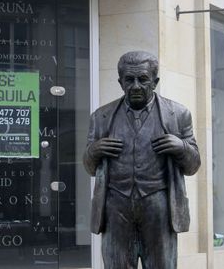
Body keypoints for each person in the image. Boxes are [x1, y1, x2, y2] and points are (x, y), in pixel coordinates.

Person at [83, 51, 200, 269]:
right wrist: (93, 151)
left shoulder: (178, 114)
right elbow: (89, 167)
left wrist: (181, 147)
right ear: (120, 82)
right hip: (115, 206)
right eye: (129, 80)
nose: (136, 86)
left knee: (161, 265)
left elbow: (193, 166)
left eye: (143, 79)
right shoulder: (101, 117)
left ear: (154, 82)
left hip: (159, 206)